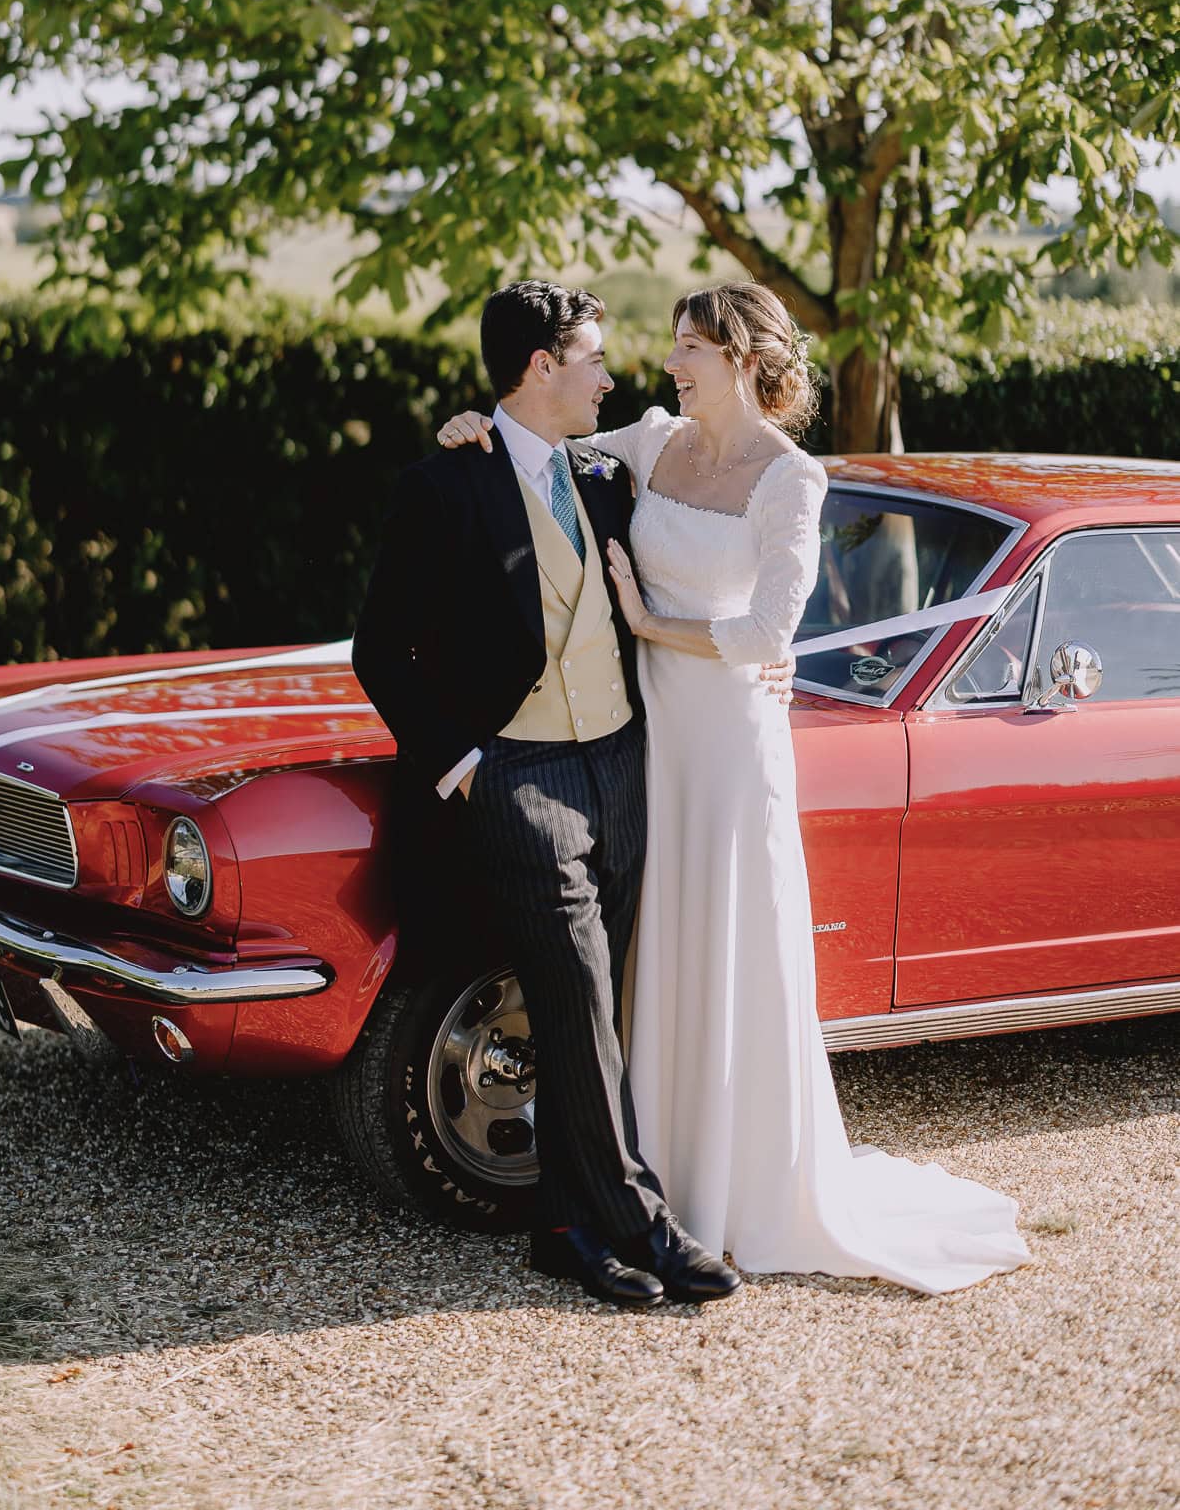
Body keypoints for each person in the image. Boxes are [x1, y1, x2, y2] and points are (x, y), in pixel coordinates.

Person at [435, 280, 1030, 1295]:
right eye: (672, 343)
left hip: (728, 735)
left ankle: (733, 1187)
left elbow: (766, 635)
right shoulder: (654, 440)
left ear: (742, 356)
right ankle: (637, 1183)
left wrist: (648, 618)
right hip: (647, 733)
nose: (668, 361)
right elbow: (549, 441)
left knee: (724, 936)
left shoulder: (792, 478)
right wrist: (470, 428)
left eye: (690, 346)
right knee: (649, 940)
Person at [353, 281, 787, 1309]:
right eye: (592, 356)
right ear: (541, 367)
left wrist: (769, 646)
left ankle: (562, 1223)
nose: (611, 373)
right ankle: (636, 1216)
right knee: (579, 992)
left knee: (601, 1000)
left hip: (622, 760)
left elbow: (720, 508)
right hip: (520, 773)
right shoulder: (444, 484)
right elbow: (382, 649)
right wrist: (465, 762)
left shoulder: (602, 474)